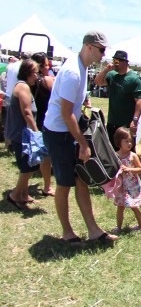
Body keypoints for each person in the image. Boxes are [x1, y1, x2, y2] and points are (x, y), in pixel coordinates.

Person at [42, 31, 118, 245]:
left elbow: (73, 105)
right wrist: (83, 144)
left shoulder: (81, 68)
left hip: (67, 130)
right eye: (102, 50)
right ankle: (67, 233)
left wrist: (85, 103)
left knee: (81, 179)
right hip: (59, 133)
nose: (104, 54)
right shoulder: (73, 72)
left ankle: (93, 230)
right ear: (89, 47)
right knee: (65, 184)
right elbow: (66, 114)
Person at [6, 59, 41, 209]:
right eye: (35, 73)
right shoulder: (23, 87)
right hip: (21, 134)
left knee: (30, 165)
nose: (37, 76)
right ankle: (14, 195)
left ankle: (24, 194)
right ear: (28, 73)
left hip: (23, 133)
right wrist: (36, 132)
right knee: (28, 167)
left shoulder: (24, 86)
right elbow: (27, 113)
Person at [93, 49, 141, 148]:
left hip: (125, 124)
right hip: (112, 122)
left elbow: (139, 101)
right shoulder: (112, 75)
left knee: (126, 151)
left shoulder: (133, 79)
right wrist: (106, 70)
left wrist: (134, 120)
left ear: (124, 62)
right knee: (111, 151)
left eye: (117, 62)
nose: (114, 64)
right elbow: (98, 82)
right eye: (114, 61)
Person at [106, 127, 141, 233]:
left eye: (130, 141)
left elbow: (140, 169)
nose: (129, 144)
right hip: (121, 187)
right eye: (126, 141)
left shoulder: (132, 156)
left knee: (134, 207)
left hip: (132, 186)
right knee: (120, 207)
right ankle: (118, 227)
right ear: (119, 142)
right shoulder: (116, 156)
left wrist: (129, 169)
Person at [29, 52, 55, 195]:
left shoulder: (29, 81)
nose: (48, 66)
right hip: (45, 119)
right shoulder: (46, 80)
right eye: (46, 64)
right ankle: (47, 186)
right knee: (46, 156)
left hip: (34, 118)